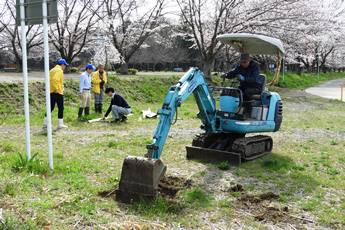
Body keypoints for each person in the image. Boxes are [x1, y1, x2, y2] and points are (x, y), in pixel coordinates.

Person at [42, 58, 68, 129]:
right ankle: (60, 124)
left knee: (50, 107)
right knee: (61, 108)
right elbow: (55, 80)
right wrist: (56, 89)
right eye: (65, 65)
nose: (65, 67)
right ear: (62, 64)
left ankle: (45, 123)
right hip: (57, 92)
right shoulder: (59, 70)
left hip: (50, 91)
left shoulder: (52, 70)